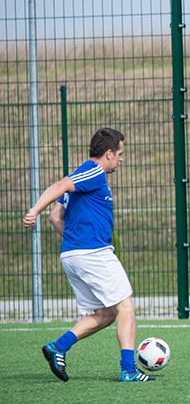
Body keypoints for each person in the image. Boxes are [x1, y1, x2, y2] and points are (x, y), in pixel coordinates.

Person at [23, 128, 154, 382]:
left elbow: (56, 217)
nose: (121, 159)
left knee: (105, 314)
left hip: (73, 254)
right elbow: (59, 187)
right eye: (120, 154)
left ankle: (58, 347)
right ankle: (128, 370)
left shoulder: (82, 175)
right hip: (93, 253)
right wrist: (34, 210)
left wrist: (74, 242)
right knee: (126, 307)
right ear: (108, 153)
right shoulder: (94, 171)